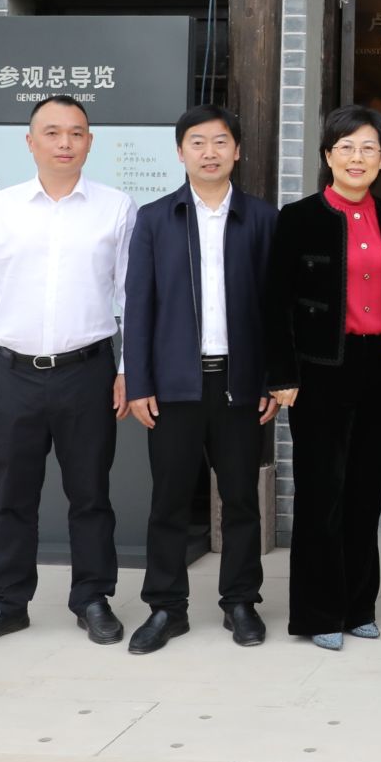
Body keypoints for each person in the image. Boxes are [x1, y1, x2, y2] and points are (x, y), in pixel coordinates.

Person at [0, 94, 136, 651]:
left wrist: (127, 368)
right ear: (30, 142)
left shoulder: (115, 207)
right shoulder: (0, 209)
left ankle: (93, 599)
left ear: (90, 142)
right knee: (13, 496)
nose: (64, 143)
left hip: (88, 371)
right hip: (14, 374)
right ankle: (5, 603)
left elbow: (132, 295)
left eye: (75, 133)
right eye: (52, 132)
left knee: (91, 494)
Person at [123, 105, 286, 654]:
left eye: (220, 142)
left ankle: (240, 602)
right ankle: (166, 608)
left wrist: (272, 378)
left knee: (240, 499)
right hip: (174, 386)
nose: (209, 152)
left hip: (240, 384)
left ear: (237, 150)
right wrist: (139, 382)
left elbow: (275, 308)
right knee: (169, 500)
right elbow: (138, 306)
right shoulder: (155, 219)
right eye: (197, 142)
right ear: (180, 152)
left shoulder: (261, 218)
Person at [267, 104, 381, 650]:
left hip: (380, 369)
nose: (356, 157)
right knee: (322, 492)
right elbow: (274, 302)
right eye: (346, 147)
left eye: (368, 148)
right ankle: (318, 612)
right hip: (320, 371)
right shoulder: (299, 217)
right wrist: (282, 373)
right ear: (327, 155)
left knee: (367, 492)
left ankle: (358, 605)